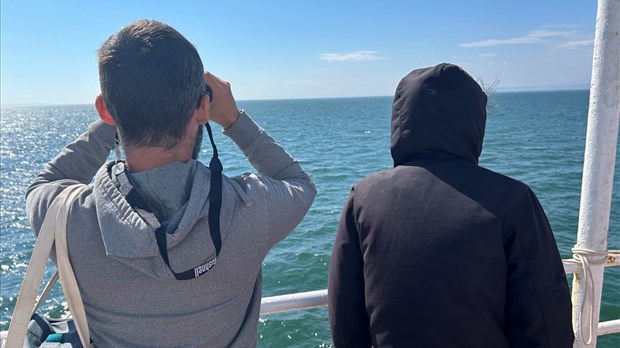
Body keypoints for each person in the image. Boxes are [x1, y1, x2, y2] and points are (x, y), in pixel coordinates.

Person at [25, 19, 316, 347]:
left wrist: (121, 112)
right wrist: (234, 120)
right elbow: (298, 183)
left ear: (105, 110)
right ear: (203, 109)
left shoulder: (66, 220)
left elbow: (44, 183)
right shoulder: (253, 208)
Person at [328, 63, 574, 347]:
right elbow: (546, 323)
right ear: (474, 121)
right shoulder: (512, 200)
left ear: (401, 119)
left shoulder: (363, 197)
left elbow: (345, 316)